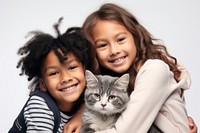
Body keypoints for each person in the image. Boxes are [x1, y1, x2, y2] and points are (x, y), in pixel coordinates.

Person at [64, 3, 198, 133]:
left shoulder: (154, 69)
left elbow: (127, 130)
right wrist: (82, 113)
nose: (114, 50)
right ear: (93, 52)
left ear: (136, 37)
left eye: (121, 39)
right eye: (102, 45)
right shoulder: (114, 81)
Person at [9, 18, 91, 132]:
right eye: (53, 73)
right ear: (43, 84)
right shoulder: (40, 106)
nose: (65, 78)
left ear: (85, 70)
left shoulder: (88, 99)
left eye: (72, 67)